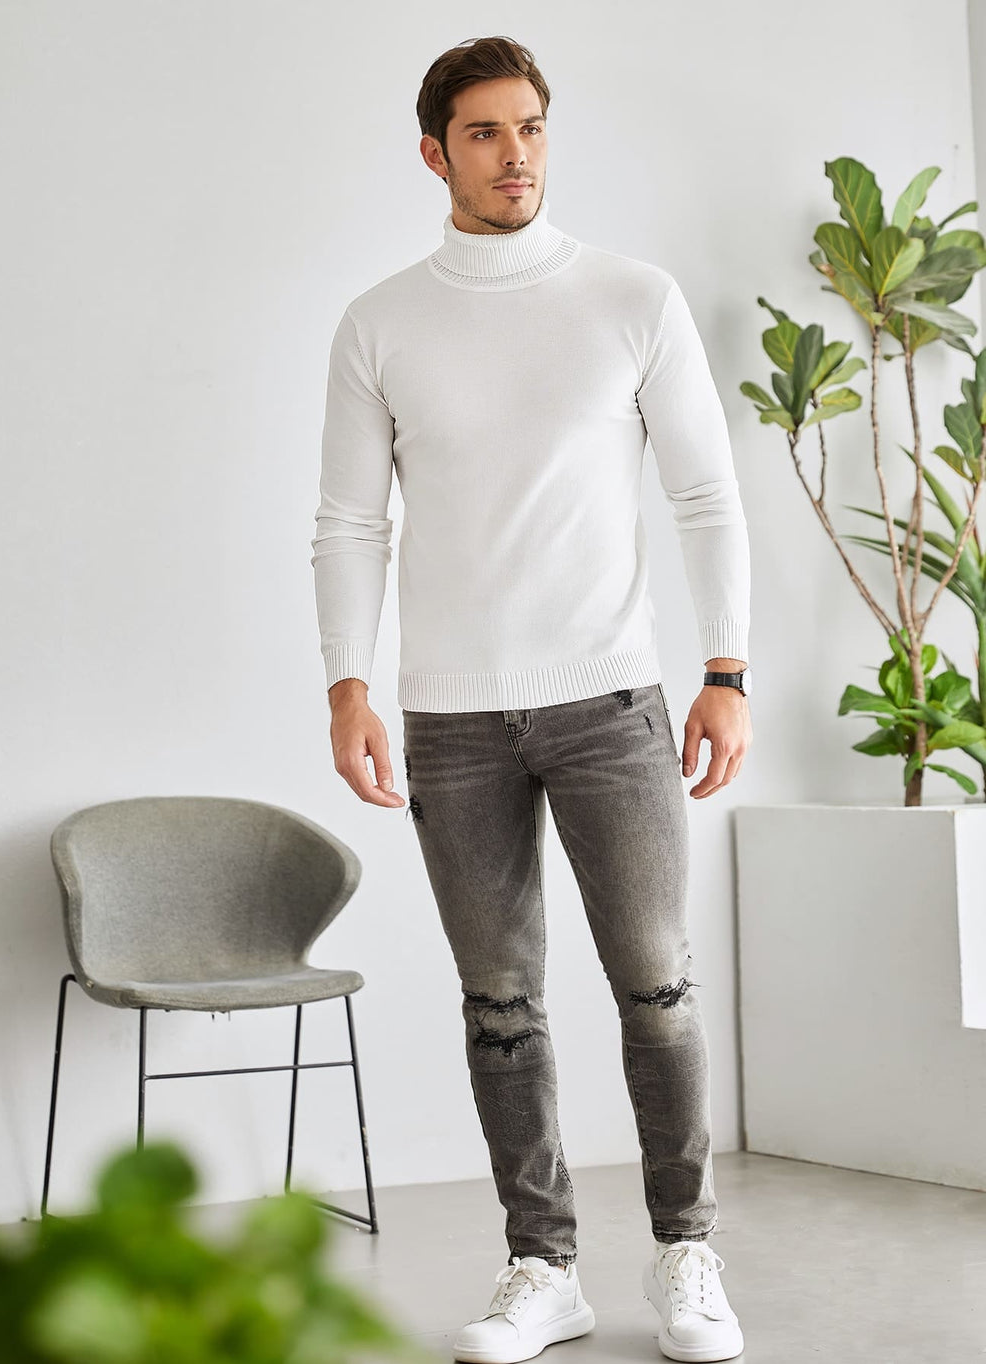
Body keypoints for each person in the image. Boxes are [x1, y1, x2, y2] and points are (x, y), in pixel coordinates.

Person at [311, 33, 752, 1364]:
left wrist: (726, 669)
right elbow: (349, 521)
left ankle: (686, 1255)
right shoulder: (381, 322)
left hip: (611, 703)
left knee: (658, 988)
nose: (517, 156)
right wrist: (347, 686)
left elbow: (705, 494)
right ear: (435, 153)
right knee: (500, 1006)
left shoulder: (629, 298)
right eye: (486, 133)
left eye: (533, 127)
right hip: (451, 720)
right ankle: (542, 1267)